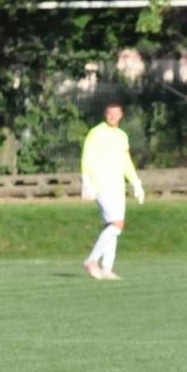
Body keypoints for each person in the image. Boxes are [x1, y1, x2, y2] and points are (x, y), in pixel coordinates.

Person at [81, 104, 144, 280]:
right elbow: (87, 157)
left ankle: (107, 268)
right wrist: (86, 181)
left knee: (111, 227)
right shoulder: (96, 133)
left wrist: (136, 183)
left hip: (117, 185)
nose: (112, 117)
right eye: (109, 113)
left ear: (121, 115)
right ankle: (92, 260)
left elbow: (126, 162)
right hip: (100, 184)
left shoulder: (122, 136)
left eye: (116, 114)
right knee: (117, 224)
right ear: (105, 114)